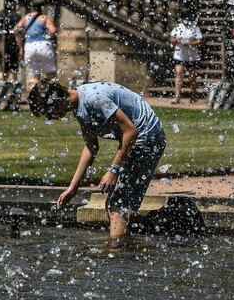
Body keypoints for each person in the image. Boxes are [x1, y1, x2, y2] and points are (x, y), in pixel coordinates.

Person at [28, 79, 166, 238]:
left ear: (58, 101)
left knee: (116, 205)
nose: (49, 118)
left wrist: (113, 171)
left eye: (47, 113)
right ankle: (122, 250)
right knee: (115, 204)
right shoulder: (78, 106)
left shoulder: (93, 99)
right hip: (139, 139)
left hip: (148, 138)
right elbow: (91, 147)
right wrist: (73, 187)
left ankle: (118, 255)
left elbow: (131, 131)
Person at [14, 1, 58, 89]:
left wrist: (21, 48)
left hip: (29, 46)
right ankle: (52, 94)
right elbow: (53, 30)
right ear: (42, 8)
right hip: (43, 46)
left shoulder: (26, 17)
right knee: (51, 74)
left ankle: (33, 99)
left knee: (33, 76)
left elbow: (15, 30)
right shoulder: (44, 17)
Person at [169, 10, 204, 104]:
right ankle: (177, 96)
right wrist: (176, 39)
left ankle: (193, 94)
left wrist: (189, 43)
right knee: (179, 74)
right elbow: (171, 39)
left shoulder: (194, 28)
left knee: (192, 76)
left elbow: (199, 40)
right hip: (179, 55)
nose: (186, 20)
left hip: (191, 56)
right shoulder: (178, 27)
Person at [0, 0, 21, 80]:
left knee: (3, 69)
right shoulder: (16, 16)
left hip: (1, 45)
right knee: (13, 70)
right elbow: (18, 33)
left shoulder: (0, 14)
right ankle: (11, 90)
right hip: (13, 45)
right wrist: (21, 48)